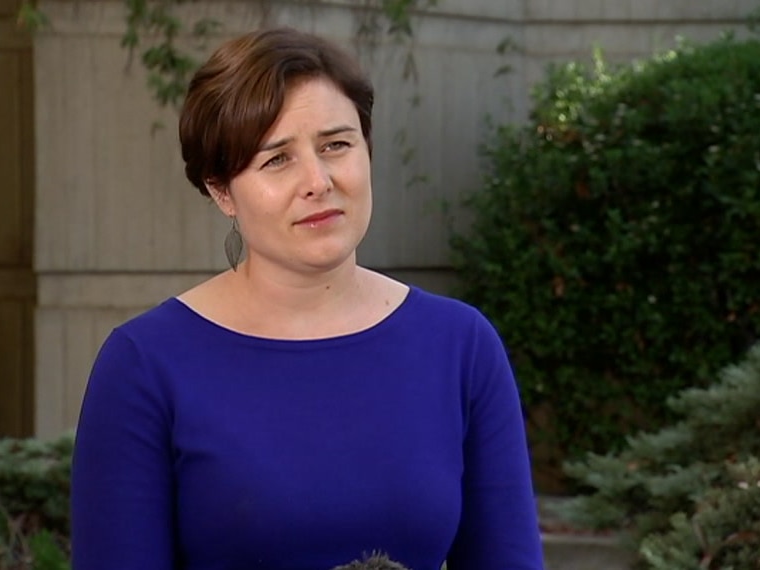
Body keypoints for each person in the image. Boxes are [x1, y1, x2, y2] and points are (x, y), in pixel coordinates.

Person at [70, 27, 544, 570]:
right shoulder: (144, 365)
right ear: (222, 190)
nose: (318, 181)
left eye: (335, 145)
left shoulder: (460, 346)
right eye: (277, 159)